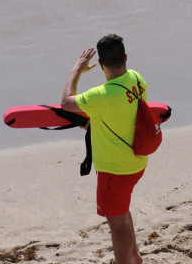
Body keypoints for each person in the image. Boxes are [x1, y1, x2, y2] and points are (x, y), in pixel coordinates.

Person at [60, 34, 147, 264]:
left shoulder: (101, 95)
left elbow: (66, 101)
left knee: (116, 223)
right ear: (126, 57)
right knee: (122, 208)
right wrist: (94, 122)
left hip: (114, 170)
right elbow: (124, 113)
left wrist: (77, 69)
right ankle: (135, 257)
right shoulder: (137, 79)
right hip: (136, 161)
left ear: (99, 64)